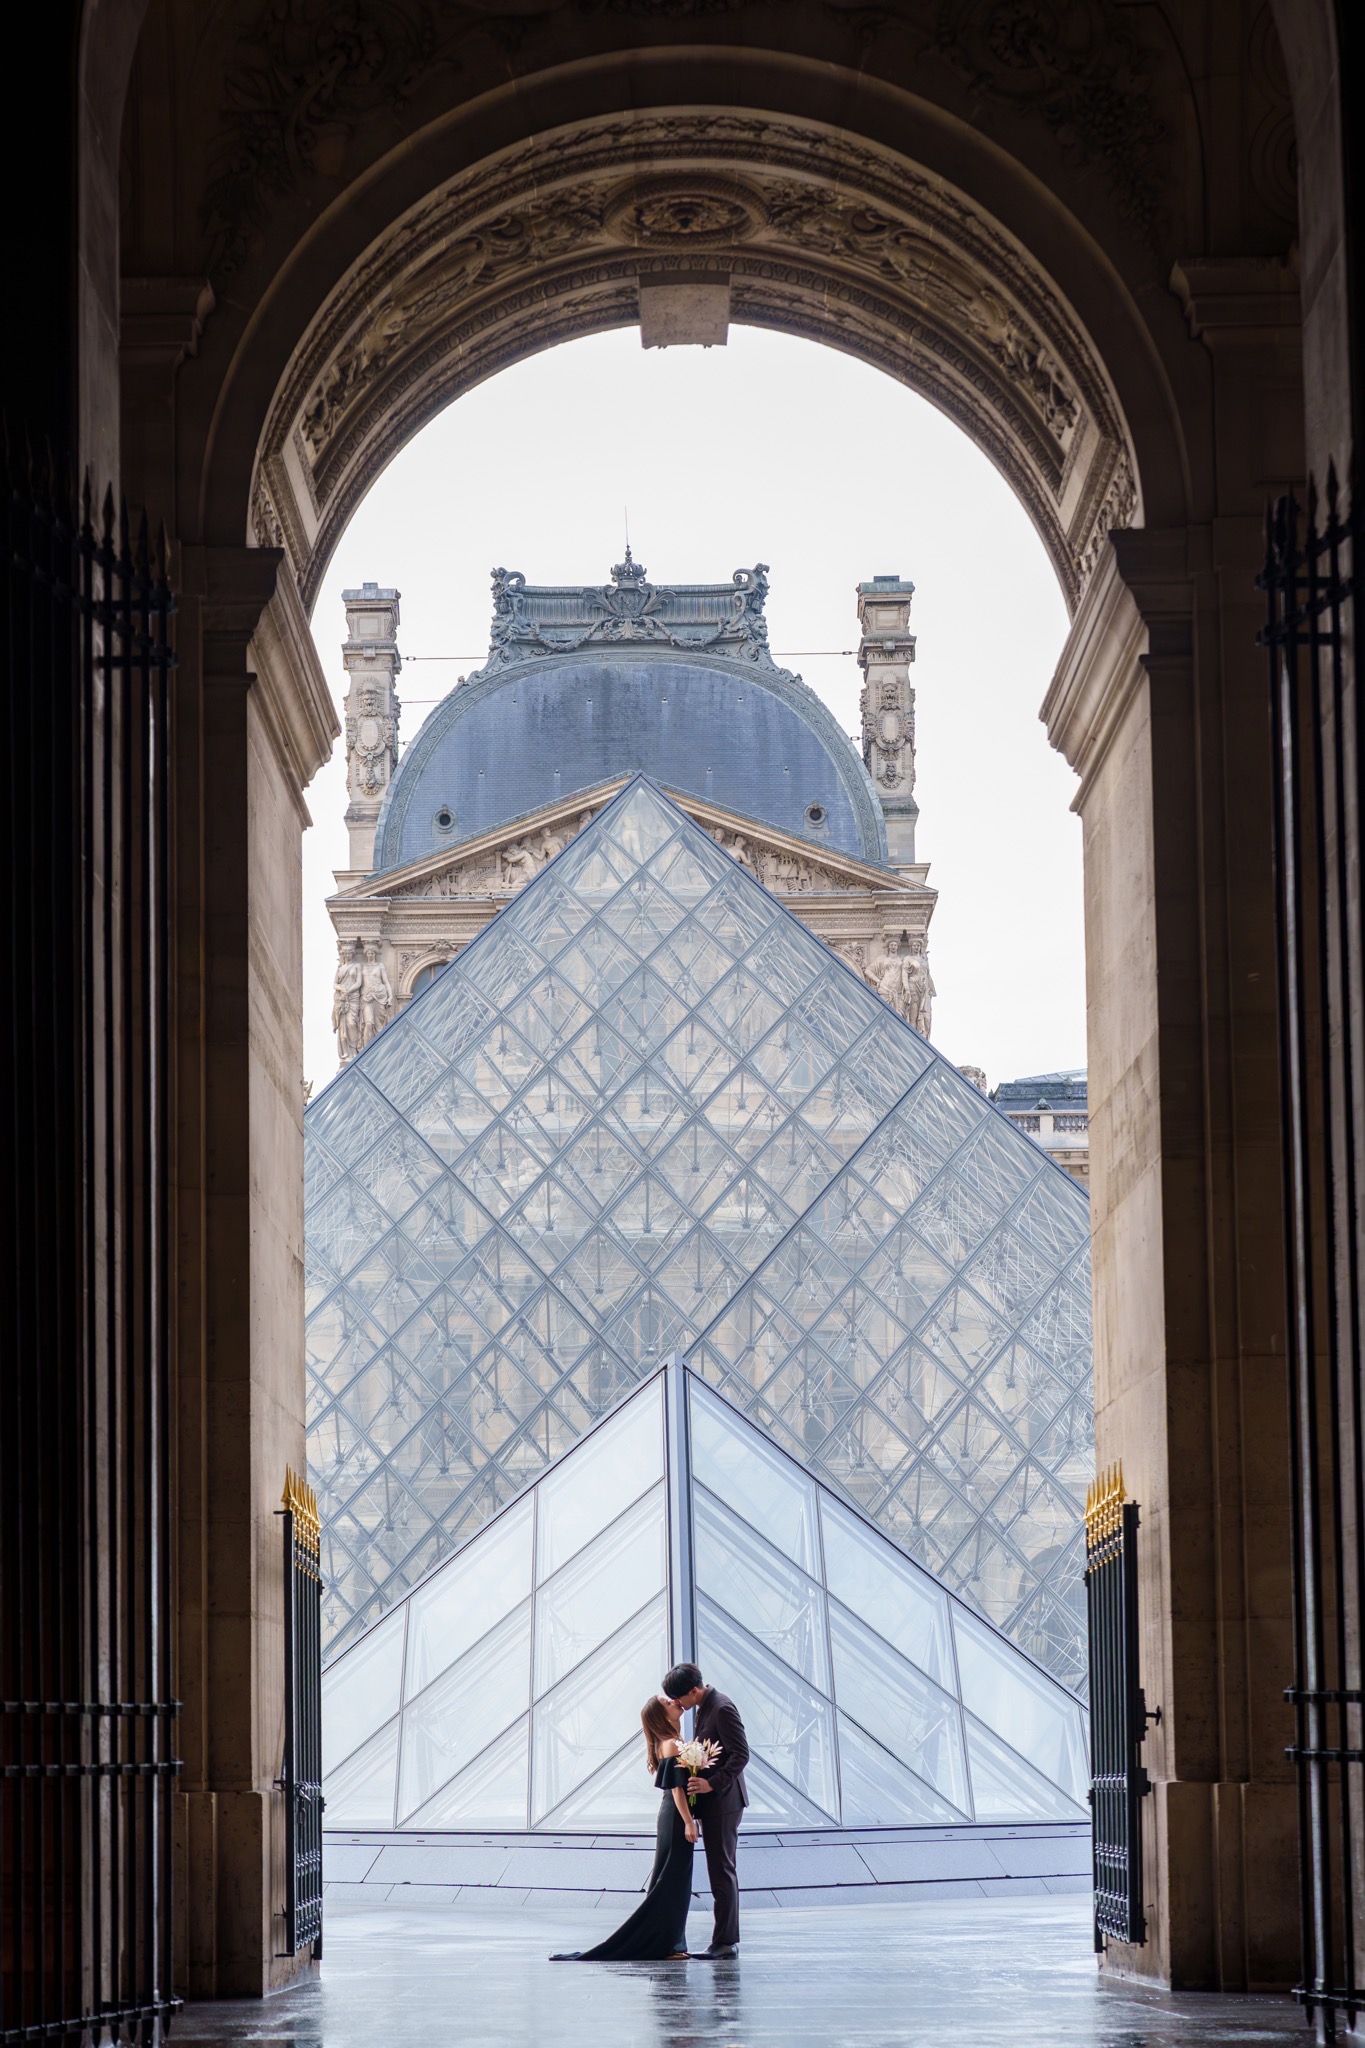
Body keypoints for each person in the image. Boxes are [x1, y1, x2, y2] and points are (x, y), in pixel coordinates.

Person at [550, 1694, 697, 1961]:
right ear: (661, 1717)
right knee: (673, 1881)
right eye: (667, 1703)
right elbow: (676, 1788)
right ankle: (669, 1944)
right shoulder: (672, 1744)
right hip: (676, 1817)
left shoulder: (667, 1743)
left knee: (672, 1880)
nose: (674, 1702)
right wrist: (689, 1821)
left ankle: (669, 1942)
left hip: (671, 1816)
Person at [662, 1661, 749, 1959]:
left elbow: (741, 1754)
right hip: (717, 1803)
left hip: (724, 1803)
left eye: (679, 1699)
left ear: (694, 1690)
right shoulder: (705, 1706)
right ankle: (723, 1941)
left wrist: (712, 1784)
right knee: (719, 1870)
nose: (678, 1705)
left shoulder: (722, 1707)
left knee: (722, 1871)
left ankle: (725, 1943)